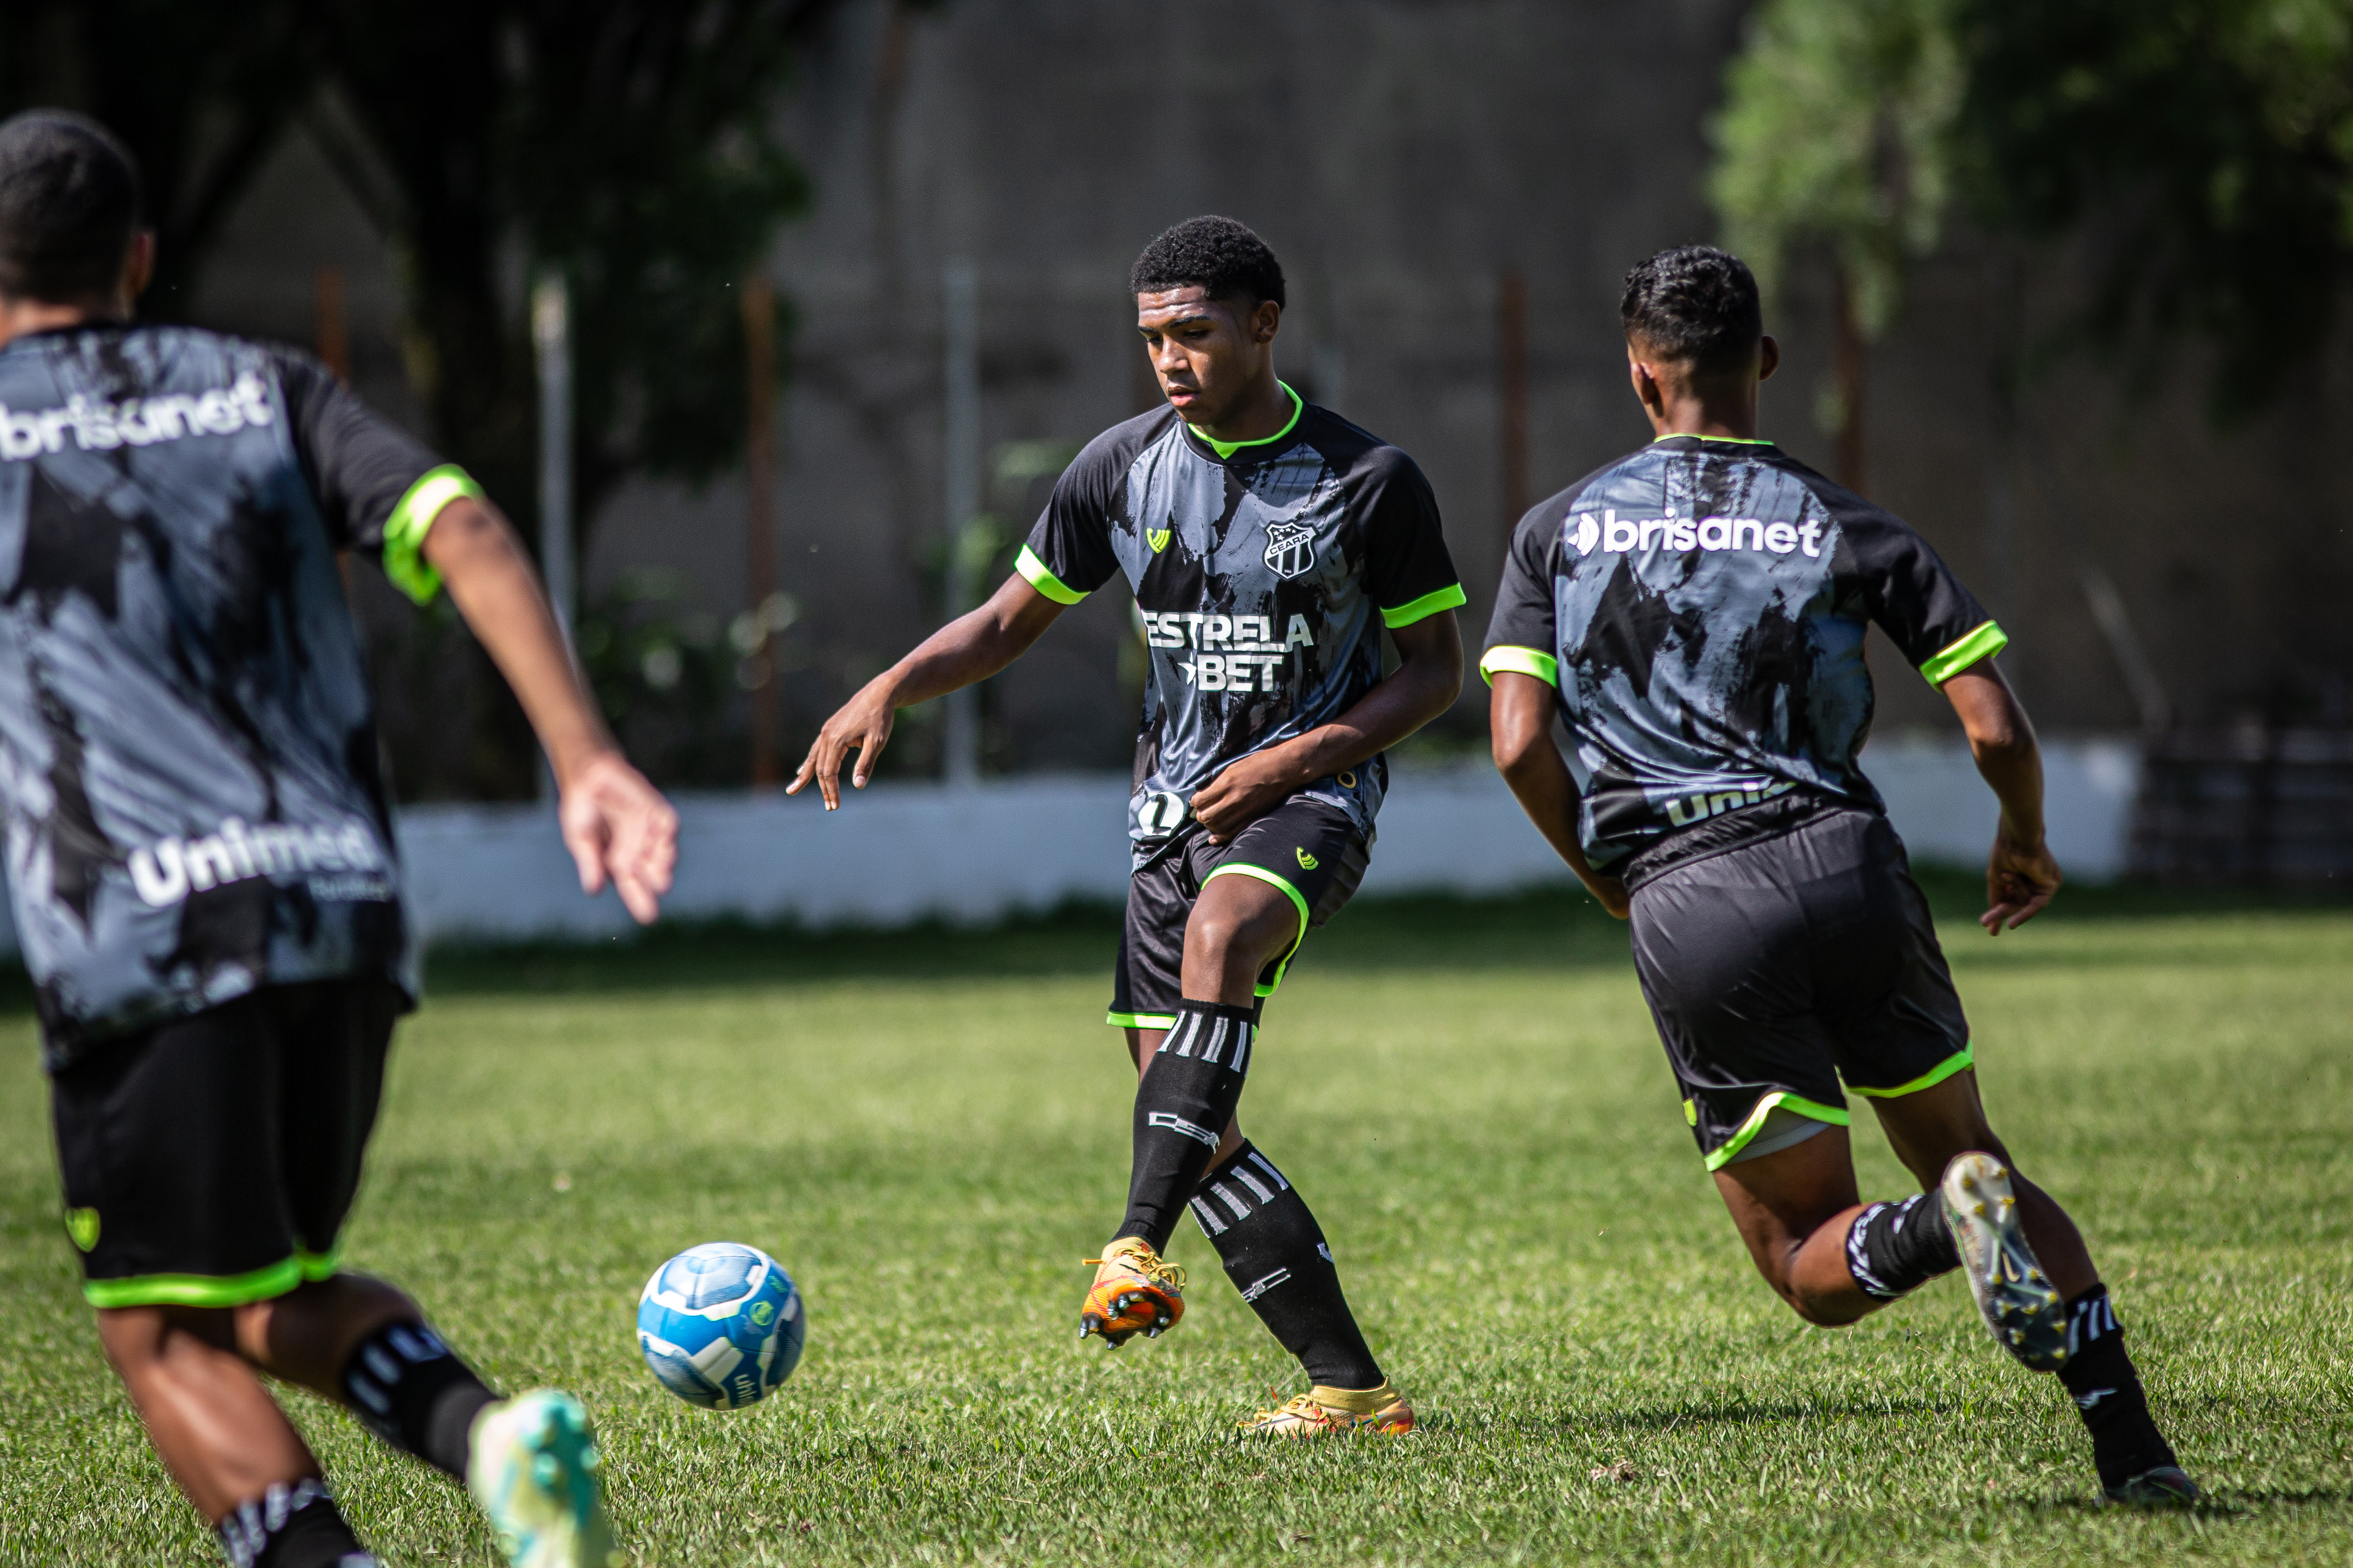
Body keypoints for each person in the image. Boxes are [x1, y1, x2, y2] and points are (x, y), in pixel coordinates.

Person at [1, 112, 679, 1568]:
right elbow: (461, 528)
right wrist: (589, 759)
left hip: (145, 934)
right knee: (257, 1292)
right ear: (138, 257)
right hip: (341, 912)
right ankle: (482, 1438)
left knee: (157, 1334)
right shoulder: (259, 384)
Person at [1481, 244, 2196, 1506]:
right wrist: (2022, 837)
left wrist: (1607, 873)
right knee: (1968, 1147)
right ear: (1763, 362)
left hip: (1693, 895)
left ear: (1642, 377)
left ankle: (1936, 1231)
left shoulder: (1555, 531)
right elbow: (1990, 727)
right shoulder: (1848, 519)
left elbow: (1519, 743)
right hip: (1850, 869)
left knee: (1807, 1261)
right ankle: (2133, 1451)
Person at [791, 216, 1464, 1436]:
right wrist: (885, 685)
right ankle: (1350, 1390)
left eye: (1192, 334)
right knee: (1188, 1117)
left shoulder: (1369, 480)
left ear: (1264, 326)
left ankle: (1131, 1245)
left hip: (1311, 795)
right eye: (1151, 336)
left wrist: (1302, 758)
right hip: (1171, 815)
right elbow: (1008, 621)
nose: (1168, 358)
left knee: (1226, 938)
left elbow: (1432, 674)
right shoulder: (1117, 467)